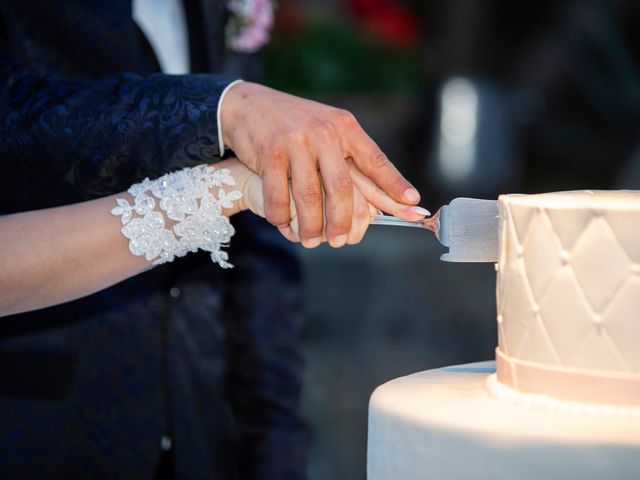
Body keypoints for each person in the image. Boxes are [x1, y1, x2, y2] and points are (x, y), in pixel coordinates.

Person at [0, 1, 422, 478]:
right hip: (41, 426)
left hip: (196, 430)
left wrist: (275, 446)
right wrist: (223, 108)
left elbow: (258, 248)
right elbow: (17, 118)